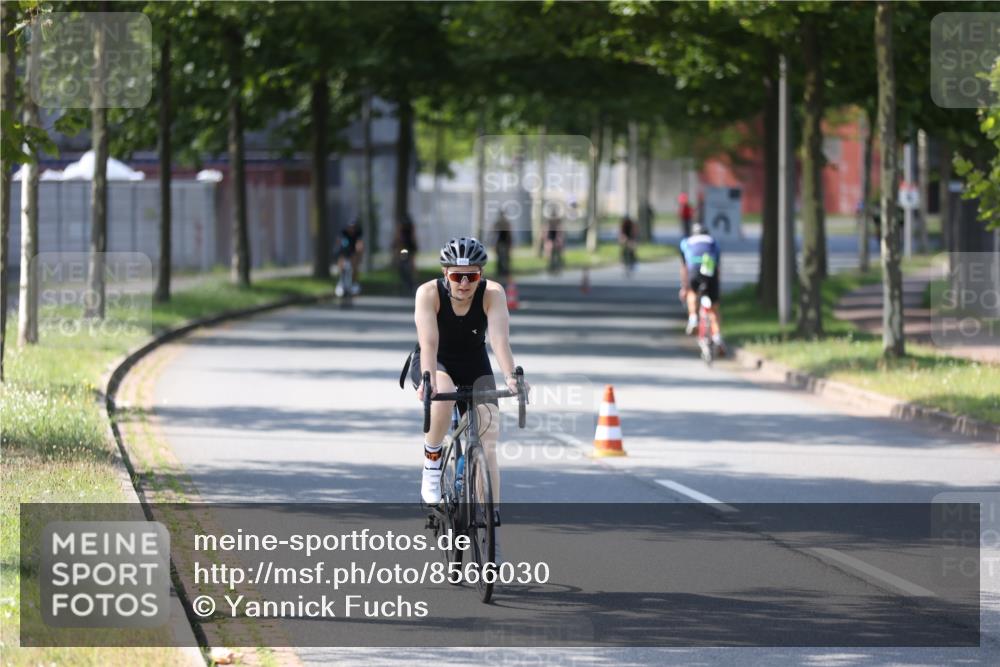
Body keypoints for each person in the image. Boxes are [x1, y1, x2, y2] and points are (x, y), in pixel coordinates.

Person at [412, 237, 523, 507]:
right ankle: (432, 465)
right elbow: (429, 343)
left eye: (471, 275)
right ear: (445, 274)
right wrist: (429, 381)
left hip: (473, 362)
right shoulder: (428, 294)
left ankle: (489, 518)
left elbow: (499, 341)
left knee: (488, 435)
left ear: (480, 274)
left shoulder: (492, 294)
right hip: (436, 361)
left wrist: (511, 377)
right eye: (457, 276)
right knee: (445, 393)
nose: (464, 283)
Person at [679, 222, 726, 355]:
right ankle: (717, 337)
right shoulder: (713, 242)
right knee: (713, 308)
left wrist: (684, 287)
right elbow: (717, 267)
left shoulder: (686, 242)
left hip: (693, 268)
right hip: (709, 266)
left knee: (691, 292)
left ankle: (693, 318)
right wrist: (716, 288)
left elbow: (684, 268)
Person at [336, 219, 364, 297]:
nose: (352, 229)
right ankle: (341, 282)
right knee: (341, 260)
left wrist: (359, 251)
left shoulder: (358, 233)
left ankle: (354, 283)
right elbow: (339, 242)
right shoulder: (343, 232)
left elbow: (360, 243)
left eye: (353, 227)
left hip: (353, 250)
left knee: (355, 263)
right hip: (344, 249)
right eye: (350, 227)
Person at [393, 216, 418, 295]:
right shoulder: (401, 228)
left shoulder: (410, 228)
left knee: (412, 264)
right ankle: (403, 282)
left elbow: (413, 238)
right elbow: (398, 237)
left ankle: (413, 282)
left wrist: (414, 247)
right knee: (400, 262)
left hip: (409, 246)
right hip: (402, 245)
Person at [492, 212, 513, 281]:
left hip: (504, 243)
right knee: (501, 258)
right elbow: (494, 233)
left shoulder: (503, 223)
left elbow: (509, 234)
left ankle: (504, 271)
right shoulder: (501, 223)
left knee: (505, 258)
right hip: (501, 243)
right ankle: (501, 271)